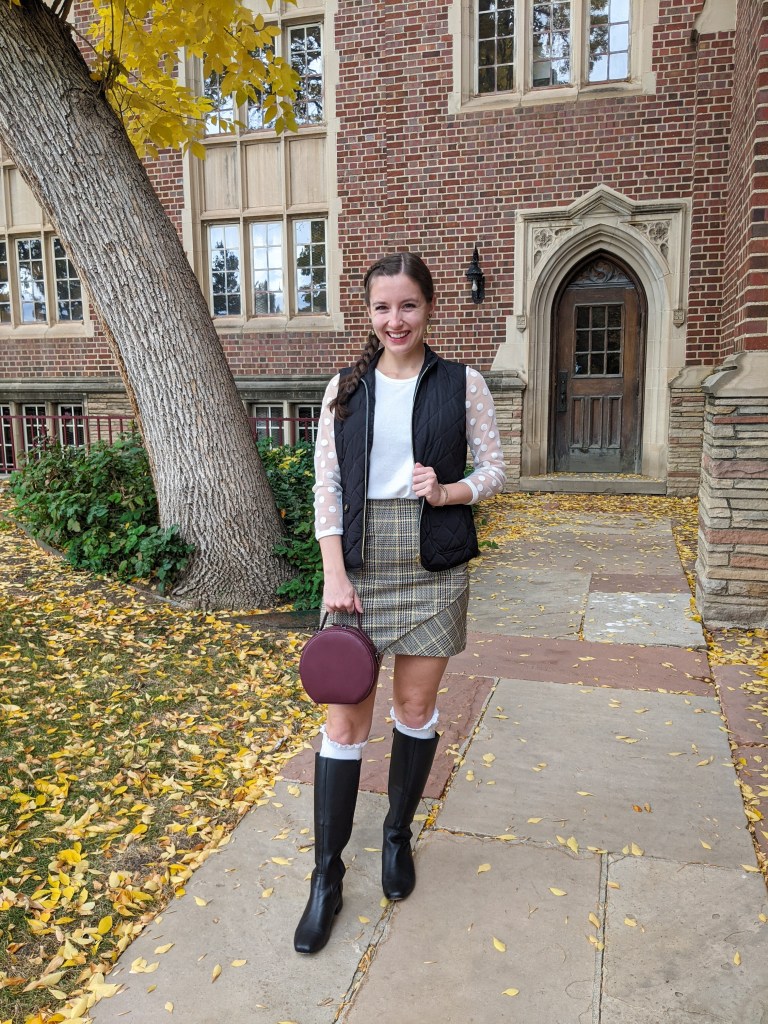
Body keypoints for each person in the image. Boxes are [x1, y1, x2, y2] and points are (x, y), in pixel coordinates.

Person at [294, 252, 506, 954]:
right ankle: (326, 878)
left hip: (432, 563)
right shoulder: (343, 388)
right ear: (368, 312)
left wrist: (450, 491)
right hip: (356, 568)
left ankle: (395, 837)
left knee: (414, 712)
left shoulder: (463, 382)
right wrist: (332, 572)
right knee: (345, 724)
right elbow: (326, 486)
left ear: (429, 308)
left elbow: (496, 468)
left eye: (408, 306)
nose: (395, 320)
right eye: (383, 307)